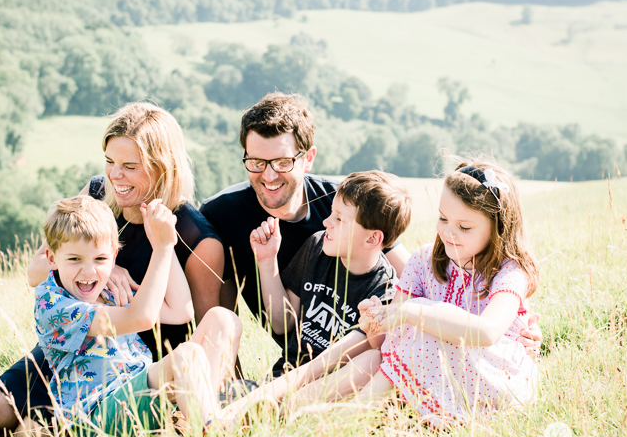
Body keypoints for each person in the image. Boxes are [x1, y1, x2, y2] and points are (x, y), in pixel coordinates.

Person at [0, 103, 234, 431]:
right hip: (75, 344)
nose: (115, 175)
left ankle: (191, 419)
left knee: (34, 430)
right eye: (110, 162)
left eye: (129, 166)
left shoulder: (194, 235)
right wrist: (108, 269)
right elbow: (35, 272)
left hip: (142, 361)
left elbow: (198, 324)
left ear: (161, 167)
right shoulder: (96, 198)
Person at [200, 92, 542, 359]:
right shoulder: (222, 212)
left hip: (360, 344)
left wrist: (507, 325)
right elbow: (218, 303)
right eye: (256, 162)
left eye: (282, 162)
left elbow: (421, 276)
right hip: (296, 350)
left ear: (308, 157)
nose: (268, 175)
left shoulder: (344, 202)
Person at [302, 157, 540, 428]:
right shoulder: (423, 261)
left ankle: (343, 421)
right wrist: (376, 325)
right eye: (443, 218)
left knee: (428, 330)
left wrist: (413, 311)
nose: (449, 232)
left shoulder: (509, 273)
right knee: (411, 337)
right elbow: (394, 344)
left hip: (492, 384)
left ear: (498, 228)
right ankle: (334, 416)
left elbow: (486, 332)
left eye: (464, 227)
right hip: (433, 377)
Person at [20, 195, 237, 437]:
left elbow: (180, 311)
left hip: (137, 393)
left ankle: (197, 421)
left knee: (223, 320)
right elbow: (141, 318)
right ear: (51, 259)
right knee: (188, 356)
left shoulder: (106, 288)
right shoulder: (53, 305)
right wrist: (164, 248)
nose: (89, 271)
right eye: (74, 259)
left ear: (114, 256)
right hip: (94, 417)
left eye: (100, 259)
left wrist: (161, 245)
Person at [249, 171, 411, 376]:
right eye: (331, 213)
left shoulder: (384, 291)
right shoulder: (317, 246)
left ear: (372, 239)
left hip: (327, 391)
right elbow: (282, 324)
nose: (326, 222)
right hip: (283, 374)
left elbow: (360, 359)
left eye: (339, 219)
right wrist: (267, 261)